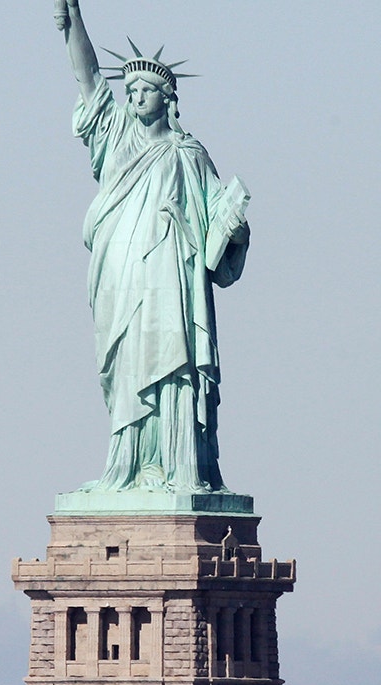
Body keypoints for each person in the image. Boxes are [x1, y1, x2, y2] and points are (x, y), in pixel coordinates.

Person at [52, 0, 253, 496]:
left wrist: (235, 226)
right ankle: (127, 466)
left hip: (171, 278)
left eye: (147, 90)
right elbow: (88, 78)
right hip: (120, 270)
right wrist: (72, 15)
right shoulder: (115, 132)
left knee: (174, 361)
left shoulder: (188, 153)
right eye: (132, 90)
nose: (137, 96)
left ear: (168, 99)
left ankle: (182, 468)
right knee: (125, 364)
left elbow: (215, 225)